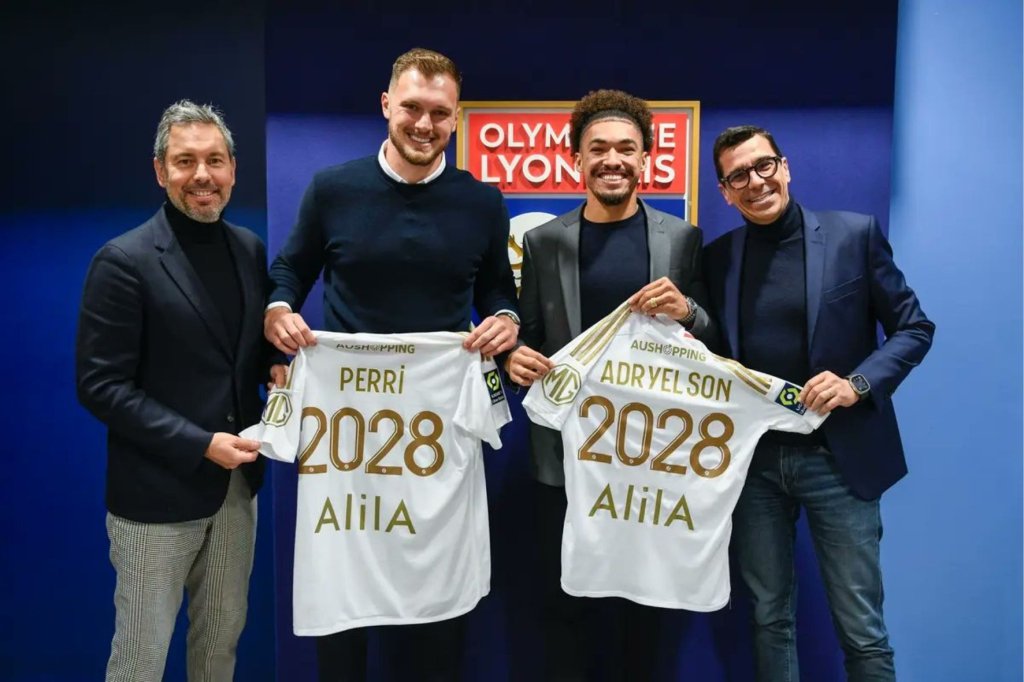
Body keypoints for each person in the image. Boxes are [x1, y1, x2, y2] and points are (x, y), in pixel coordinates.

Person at [263, 48, 519, 681]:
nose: (424, 124)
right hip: (347, 416)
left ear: (456, 118)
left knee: (438, 575)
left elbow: (497, 291)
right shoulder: (333, 188)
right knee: (341, 579)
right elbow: (291, 268)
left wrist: (506, 320)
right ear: (386, 105)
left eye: (439, 113)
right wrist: (278, 309)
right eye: (411, 108)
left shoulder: (483, 202)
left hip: (437, 416)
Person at [703, 125, 935, 681]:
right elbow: (711, 352)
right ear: (725, 192)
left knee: (861, 628)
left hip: (839, 458)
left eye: (764, 166)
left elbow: (914, 328)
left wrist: (858, 382)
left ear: (785, 167)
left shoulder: (855, 236)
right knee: (769, 619)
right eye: (739, 176)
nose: (756, 182)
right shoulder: (716, 259)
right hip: (753, 465)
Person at [506, 89, 715, 681]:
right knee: (566, 609)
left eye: (626, 148)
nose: (613, 159)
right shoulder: (546, 243)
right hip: (565, 464)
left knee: (645, 616)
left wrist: (691, 314)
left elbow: (716, 344)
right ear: (578, 159)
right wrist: (514, 362)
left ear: (647, 158)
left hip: (652, 464)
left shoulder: (681, 239)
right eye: (598, 148)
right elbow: (528, 339)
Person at [76, 100, 281, 681]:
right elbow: (100, 386)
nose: (202, 176)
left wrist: (273, 364)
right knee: (141, 661)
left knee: (219, 651)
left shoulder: (249, 249)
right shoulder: (123, 261)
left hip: (237, 492)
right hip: (154, 502)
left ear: (233, 170)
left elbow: (237, 348)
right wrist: (199, 443)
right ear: (160, 170)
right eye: (185, 161)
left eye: (214, 160)